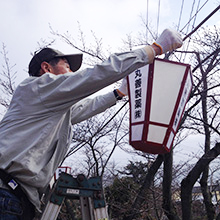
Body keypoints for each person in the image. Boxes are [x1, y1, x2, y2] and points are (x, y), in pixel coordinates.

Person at [0, 28, 182, 219]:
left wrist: (118, 94)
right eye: (68, 66)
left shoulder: (51, 108)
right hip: (7, 194)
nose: (72, 73)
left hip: (16, 197)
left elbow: (86, 107)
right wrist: (153, 50)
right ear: (47, 68)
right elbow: (92, 76)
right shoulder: (36, 87)